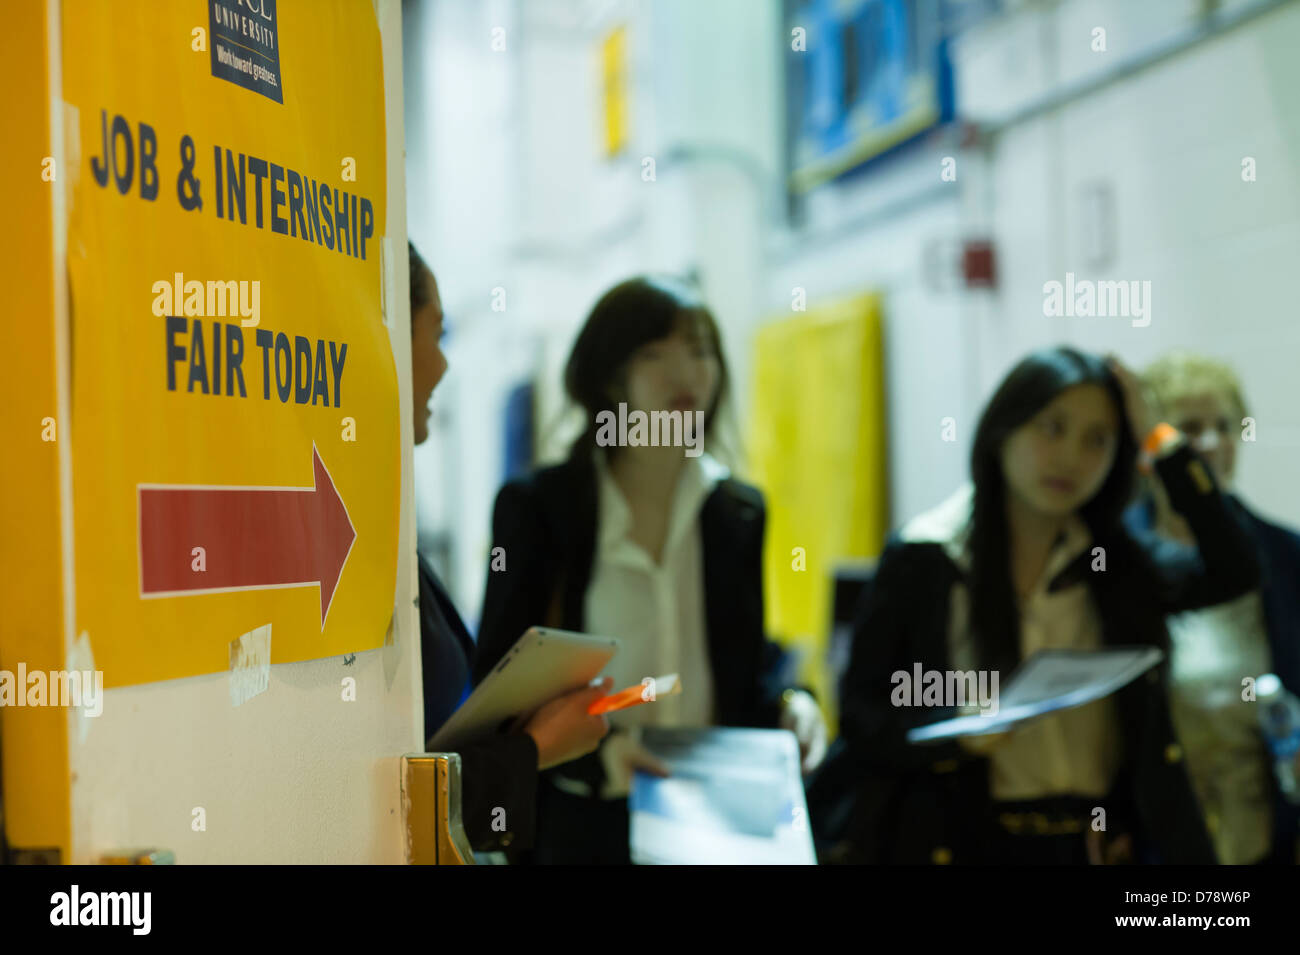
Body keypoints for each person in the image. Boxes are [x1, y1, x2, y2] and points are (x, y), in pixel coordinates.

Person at [836, 346, 1260, 864]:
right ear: (1003, 429)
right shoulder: (927, 556)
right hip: (965, 839)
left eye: (1097, 440)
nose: (1070, 458)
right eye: (1051, 428)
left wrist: (1159, 437)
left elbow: (1233, 570)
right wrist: (959, 732)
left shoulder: (1114, 562)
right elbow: (862, 717)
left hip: (1091, 844)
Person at [473, 276, 826, 864]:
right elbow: (498, 689)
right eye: (654, 354)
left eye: (700, 351)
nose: (685, 373)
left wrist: (794, 700)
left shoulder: (735, 510)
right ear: (611, 377)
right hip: (586, 823)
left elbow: (739, 663)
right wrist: (601, 758)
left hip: (714, 816)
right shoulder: (542, 508)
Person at [409, 242, 612, 853]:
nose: (443, 365)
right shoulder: (539, 504)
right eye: (434, 332)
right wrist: (537, 747)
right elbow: (381, 789)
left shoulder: (730, 509)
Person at [1123, 351, 1300, 864]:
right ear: (1153, 443)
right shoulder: (1118, 559)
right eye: (1189, 427)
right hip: (1160, 839)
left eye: (1225, 425)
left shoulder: (1284, 554)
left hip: (1269, 829)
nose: (1213, 442)